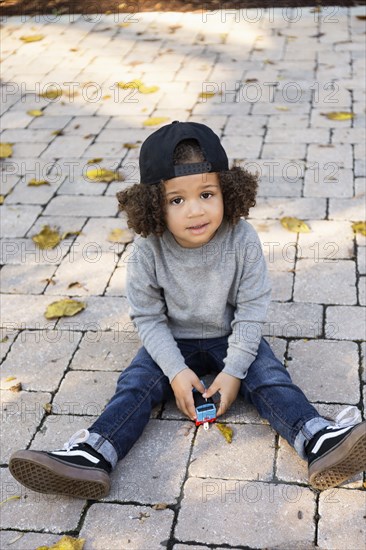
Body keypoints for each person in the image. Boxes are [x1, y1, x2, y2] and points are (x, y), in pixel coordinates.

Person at [9, 121, 366, 499]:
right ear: (153, 205)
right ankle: (94, 453)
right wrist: (176, 372)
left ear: (228, 191)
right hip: (171, 340)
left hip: (231, 335)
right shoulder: (149, 247)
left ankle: (317, 438)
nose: (195, 211)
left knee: (270, 376)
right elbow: (148, 317)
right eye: (176, 200)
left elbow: (251, 309)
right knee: (134, 385)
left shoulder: (242, 238)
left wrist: (233, 372)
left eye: (207, 194)